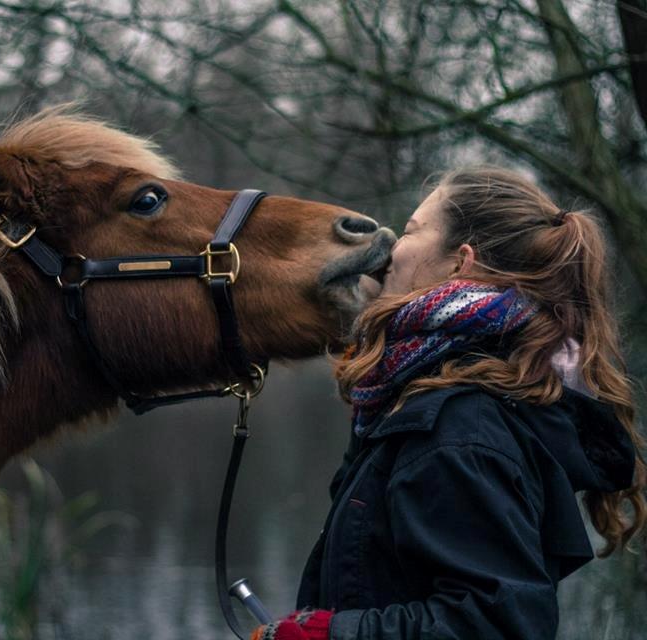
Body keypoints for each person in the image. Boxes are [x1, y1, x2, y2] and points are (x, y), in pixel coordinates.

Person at [251, 167, 646, 640]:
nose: (393, 244)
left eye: (413, 230)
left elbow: (495, 626)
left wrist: (328, 635)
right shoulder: (427, 394)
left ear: (460, 264)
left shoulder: (462, 426)